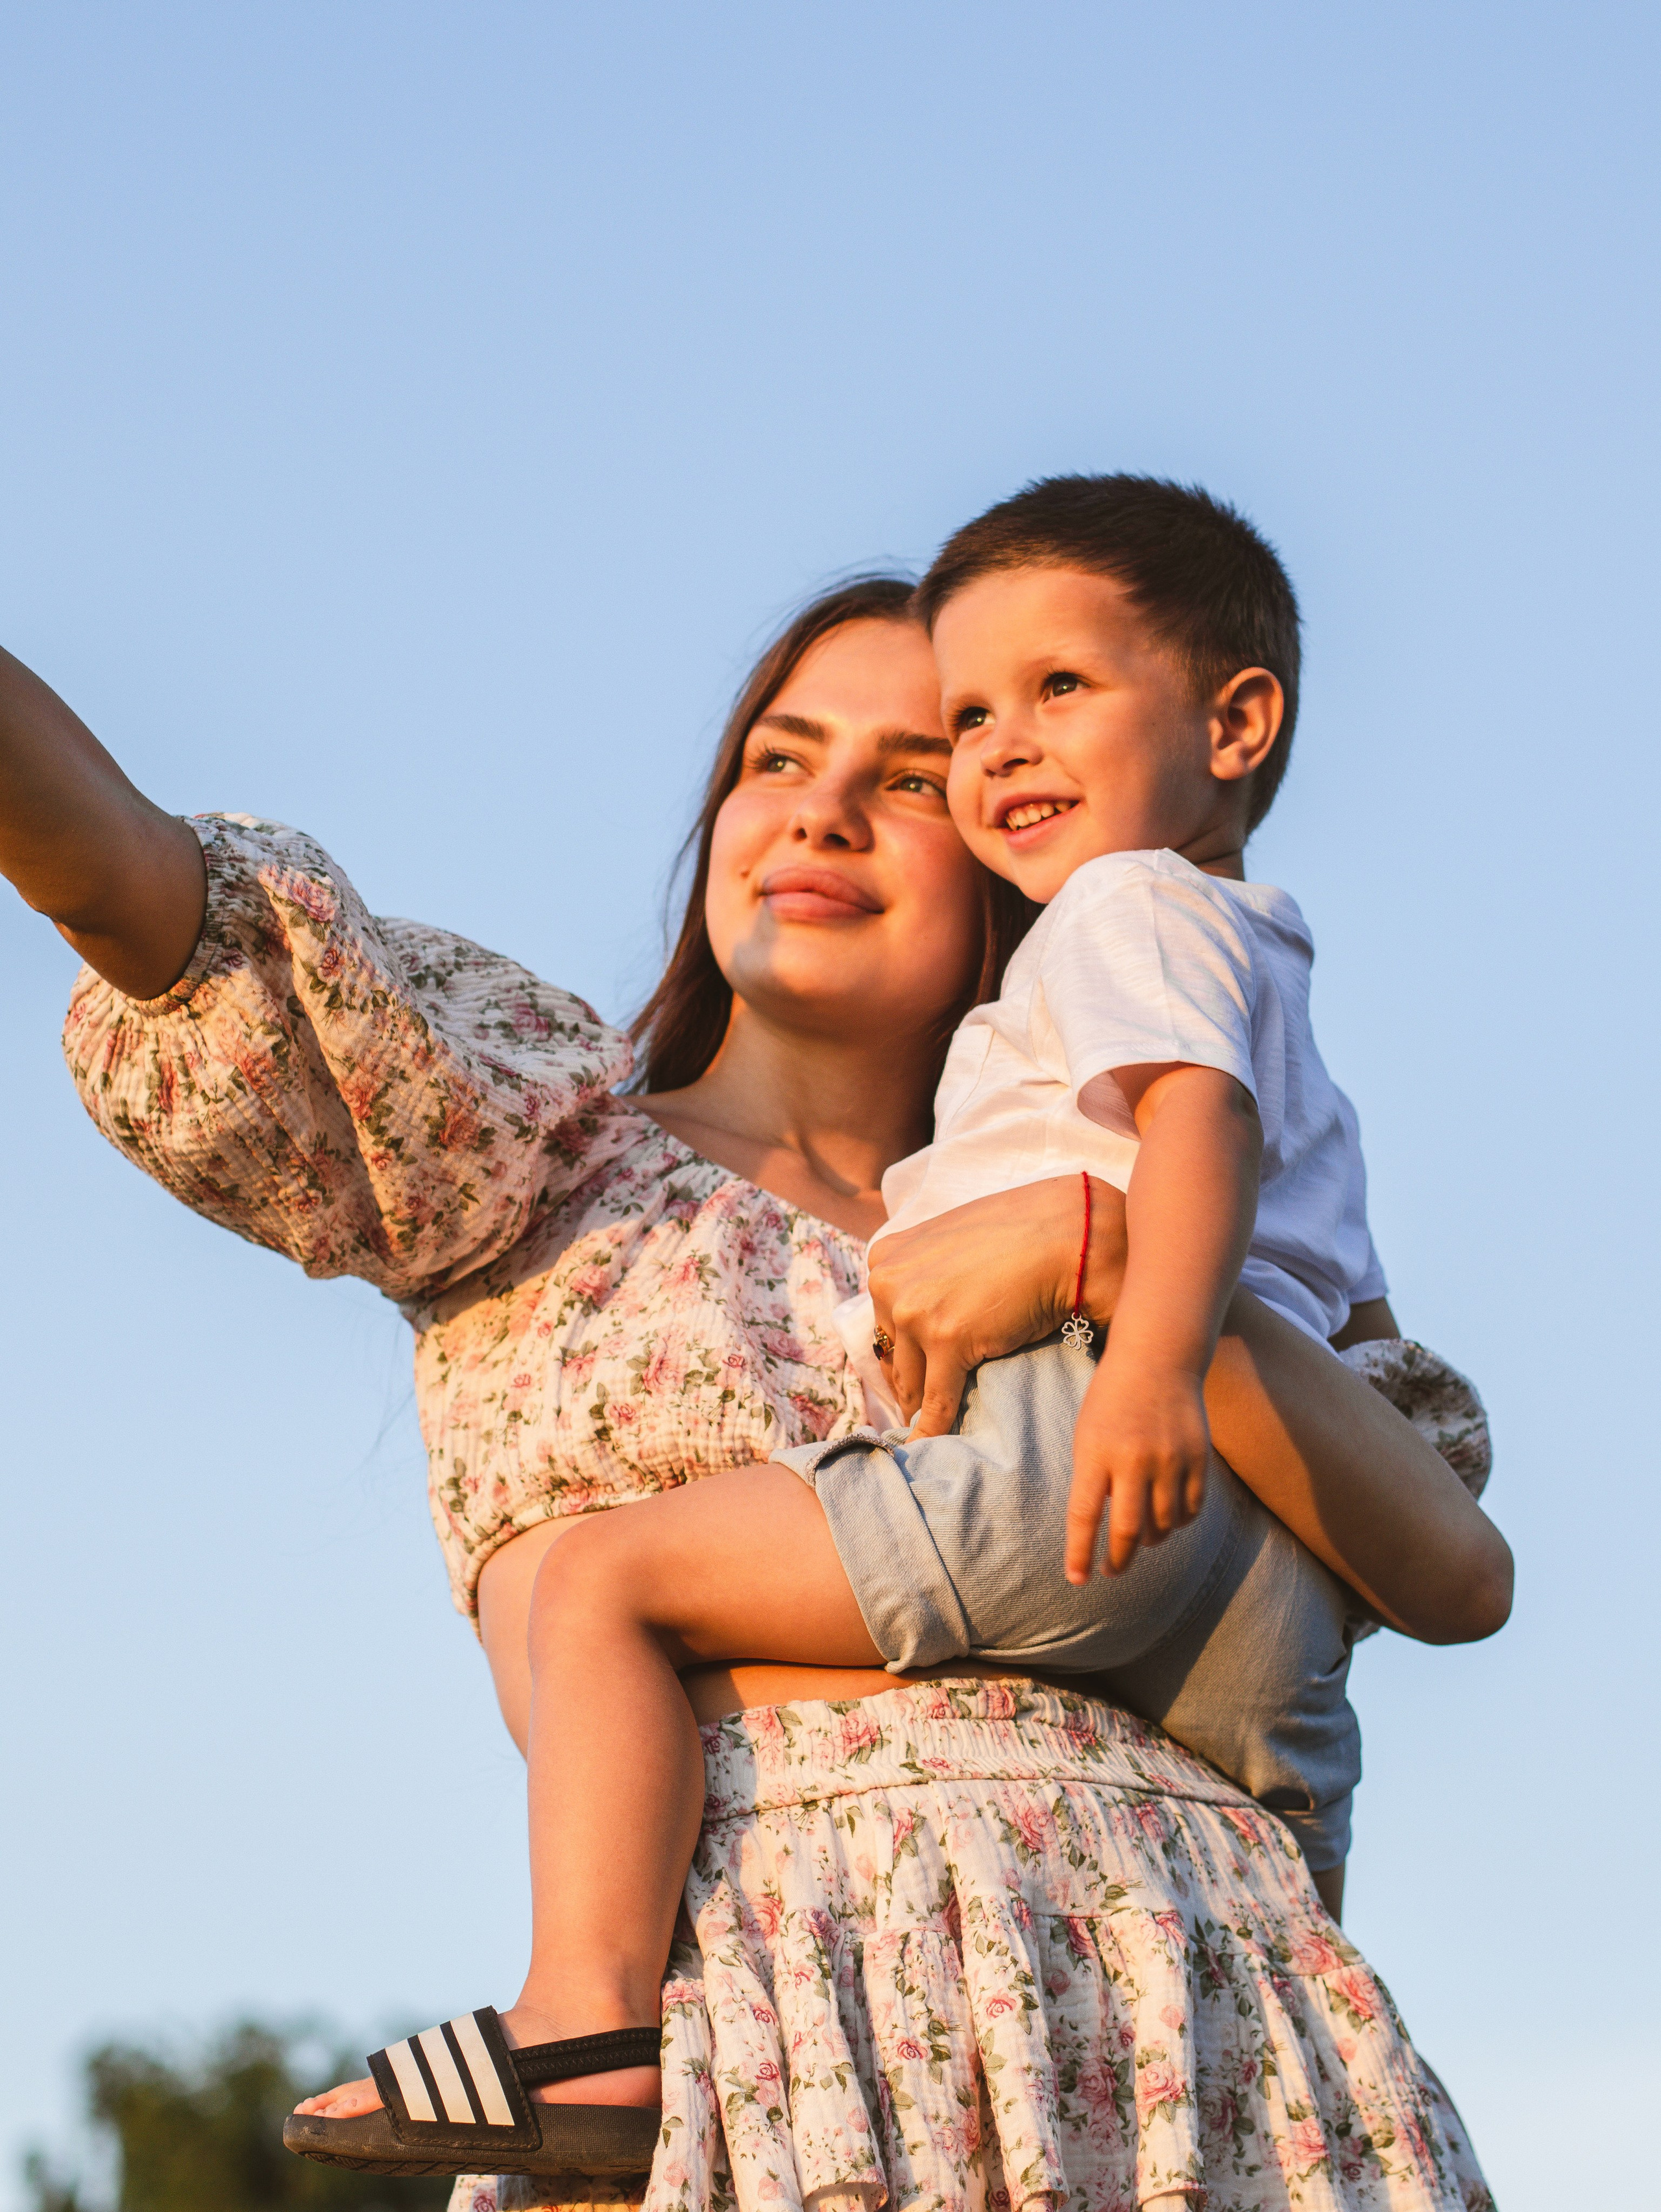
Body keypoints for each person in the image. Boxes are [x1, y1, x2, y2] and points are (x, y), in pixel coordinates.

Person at [0, 577, 1507, 2209]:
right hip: (767, 2047)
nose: (825, 813)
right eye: (777, 759)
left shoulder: (1182, 1192)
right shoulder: (540, 1149)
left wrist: (1109, 1246)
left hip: (1204, 2050)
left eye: (911, 776)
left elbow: (1452, 1572)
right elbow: (142, 893)